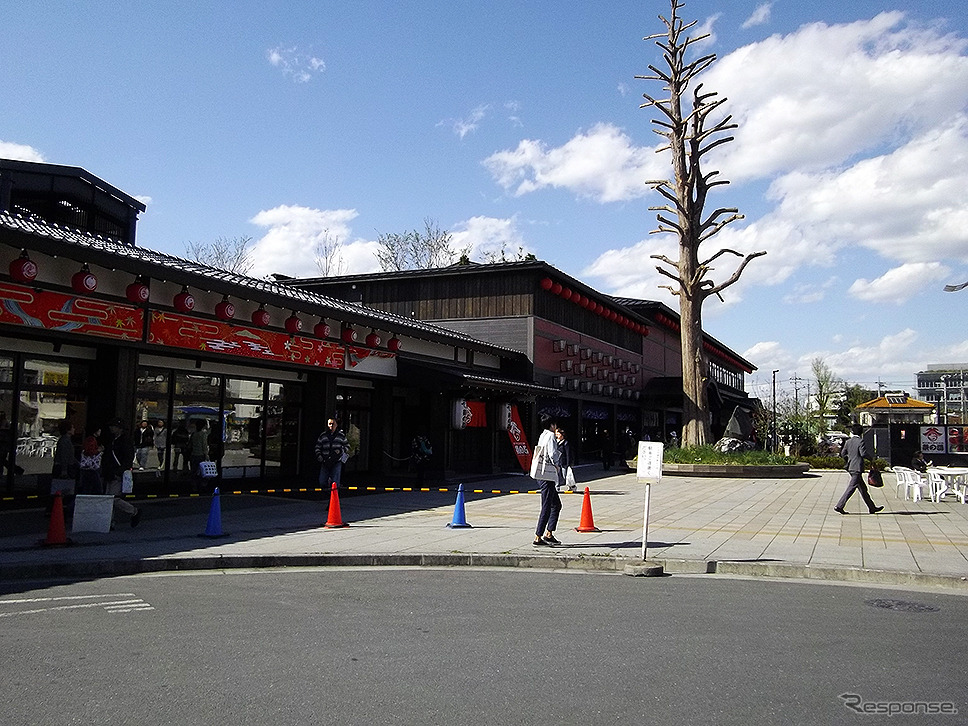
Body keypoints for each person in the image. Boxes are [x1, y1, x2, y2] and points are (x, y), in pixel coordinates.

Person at [834, 423, 883, 515]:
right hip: (857, 467)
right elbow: (863, 453)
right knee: (851, 487)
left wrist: (849, 459)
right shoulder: (860, 441)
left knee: (863, 489)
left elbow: (843, 453)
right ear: (861, 432)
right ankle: (839, 506)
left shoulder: (848, 442)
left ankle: (872, 507)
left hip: (851, 467)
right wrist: (871, 459)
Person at [102, 418, 141, 527]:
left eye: (113, 426)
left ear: (120, 429)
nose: (111, 428)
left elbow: (128, 458)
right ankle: (110, 522)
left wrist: (120, 472)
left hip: (116, 472)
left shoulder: (124, 441)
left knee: (113, 498)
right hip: (110, 472)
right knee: (110, 498)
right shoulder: (113, 440)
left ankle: (133, 511)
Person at [531, 418, 561, 546]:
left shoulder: (542, 435)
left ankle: (549, 533)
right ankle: (538, 536)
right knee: (547, 506)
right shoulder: (550, 436)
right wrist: (557, 465)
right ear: (552, 425)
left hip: (540, 473)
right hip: (547, 475)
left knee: (556, 504)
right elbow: (552, 453)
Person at [315, 416, 349, 488]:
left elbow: (347, 446)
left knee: (335, 482)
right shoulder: (323, 435)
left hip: (336, 461)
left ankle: (334, 496)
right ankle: (326, 494)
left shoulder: (341, 435)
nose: (331, 426)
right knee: (322, 481)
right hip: (325, 461)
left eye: (333, 424)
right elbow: (317, 447)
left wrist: (340, 451)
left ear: (336, 425)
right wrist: (319, 456)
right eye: (329, 424)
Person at [78, 427, 104, 495]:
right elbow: (90, 452)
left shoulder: (89, 439)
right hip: (92, 467)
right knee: (96, 487)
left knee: (88, 487)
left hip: (88, 467)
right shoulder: (91, 440)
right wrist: (98, 451)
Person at [189, 419, 210, 491]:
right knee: (202, 471)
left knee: (194, 471)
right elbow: (204, 446)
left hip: (193, 454)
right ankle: (202, 485)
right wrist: (206, 455)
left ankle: (193, 485)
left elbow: (190, 445)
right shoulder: (203, 434)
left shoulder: (193, 434)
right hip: (201, 455)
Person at [555, 426, 576, 493]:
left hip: (564, 462)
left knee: (565, 475)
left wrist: (568, 463)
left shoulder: (565, 443)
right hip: (558, 461)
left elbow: (568, 453)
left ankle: (571, 486)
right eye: (556, 434)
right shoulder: (555, 442)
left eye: (558, 434)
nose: (557, 435)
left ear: (562, 435)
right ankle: (557, 487)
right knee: (557, 475)